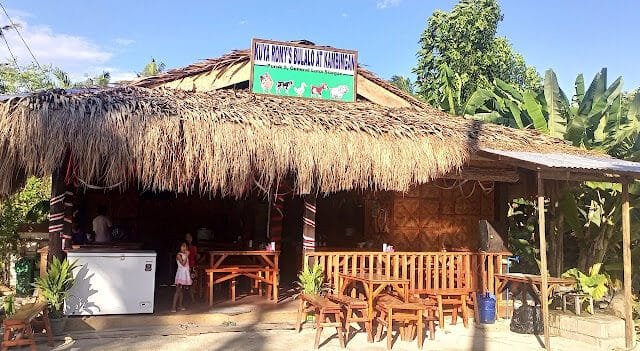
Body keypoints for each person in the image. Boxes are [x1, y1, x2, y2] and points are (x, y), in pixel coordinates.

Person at [172, 242, 192, 312]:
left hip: (185, 275)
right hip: (180, 275)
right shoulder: (179, 255)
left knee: (181, 291)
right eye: (183, 246)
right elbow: (183, 264)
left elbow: (187, 265)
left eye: (185, 246)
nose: (184, 248)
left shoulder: (185, 254)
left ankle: (180, 305)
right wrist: (186, 255)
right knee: (177, 291)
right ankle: (173, 307)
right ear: (179, 247)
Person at [184, 233, 198, 301]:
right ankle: (188, 298)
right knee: (187, 282)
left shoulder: (194, 247)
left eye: (190, 237)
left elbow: (195, 257)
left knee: (194, 281)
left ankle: (193, 298)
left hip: (193, 266)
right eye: (187, 237)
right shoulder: (184, 247)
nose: (188, 238)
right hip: (186, 266)